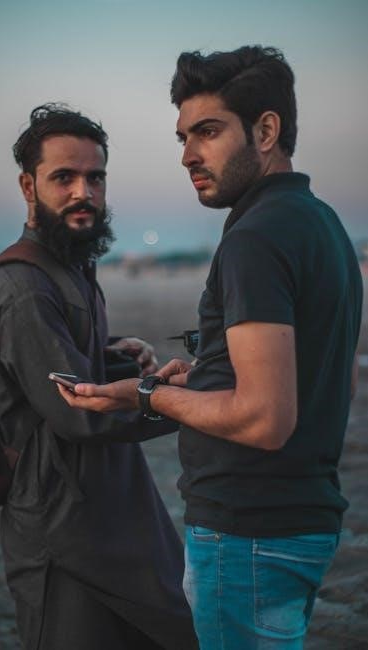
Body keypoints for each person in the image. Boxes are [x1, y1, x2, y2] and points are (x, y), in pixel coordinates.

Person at [58, 47, 363, 648]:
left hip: (249, 533)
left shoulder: (257, 237)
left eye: (208, 131)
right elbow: (331, 377)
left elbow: (265, 418)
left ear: (266, 131)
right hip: (301, 523)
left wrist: (148, 394)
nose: (188, 155)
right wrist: (207, 376)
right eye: (183, 137)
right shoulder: (322, 224)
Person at [0, 103, 198, 650]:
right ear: (28, 186)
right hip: (63, 532)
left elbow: (60, 364)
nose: (84, 192)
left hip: (112, 510)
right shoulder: (24, 286)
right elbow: (77, 409)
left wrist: (114, 354)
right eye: (64, 177)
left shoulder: (71, 264)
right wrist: (183, 400)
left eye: (95, 177)